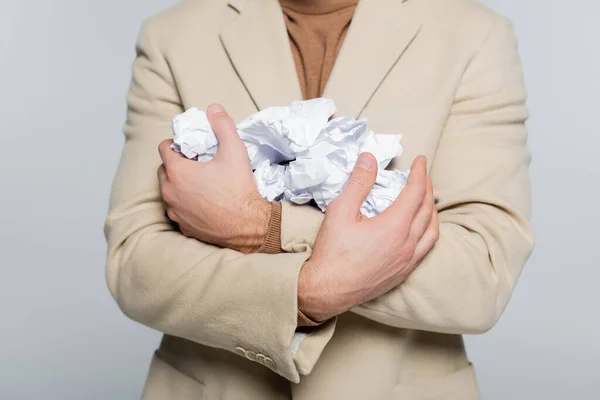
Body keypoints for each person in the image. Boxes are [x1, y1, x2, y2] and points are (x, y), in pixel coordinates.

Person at [104, 0, 534, 398]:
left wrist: (261, 225)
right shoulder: (173, 35)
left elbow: (481, 277)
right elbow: (135, 263)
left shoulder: (473, 34)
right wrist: (309, 290)